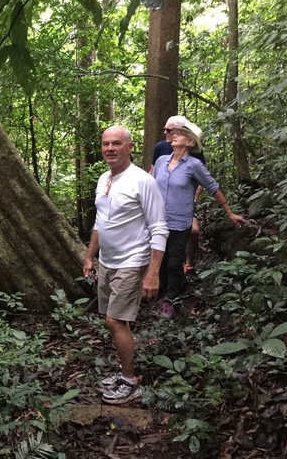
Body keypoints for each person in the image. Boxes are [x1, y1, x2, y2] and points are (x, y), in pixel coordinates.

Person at [83, 125, 168, 404]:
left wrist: (153, 273)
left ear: (129, 147)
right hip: (108, 261)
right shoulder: (103, 178)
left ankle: (130, 383)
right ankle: (125, 372)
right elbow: (100, 221)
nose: (110, 148)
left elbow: (159, 227)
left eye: (117, 143)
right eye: (106, 143)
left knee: (115, 320)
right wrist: (89, 255)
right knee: (115, 321)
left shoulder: (143, 181)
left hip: (133, 260)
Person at [152, 122, 245, 317]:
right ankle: (165, 291)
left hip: (179, 222)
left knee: (175, 261)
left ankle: (170, 301)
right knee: (160, 259)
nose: (174, 136)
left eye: (180, 134)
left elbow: (213, 188)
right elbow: (149, 187)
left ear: (189, 142)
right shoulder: (161, 161)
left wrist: (229, 212)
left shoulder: (194, 166)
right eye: (174, 133)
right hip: (157, 222)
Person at [149, 116, 205, 282]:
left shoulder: (195, 156)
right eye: (165, 129)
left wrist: (193, 198)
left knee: (193, 231)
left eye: (169, 130)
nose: (165, 133)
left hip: (183, 204)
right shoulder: (160, 149)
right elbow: (152, 173)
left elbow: (202, 179)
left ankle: (189, 265)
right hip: (160, 205)